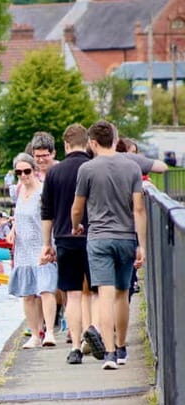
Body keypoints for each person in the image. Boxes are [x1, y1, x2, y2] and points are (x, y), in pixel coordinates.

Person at [71, 120, 147, 370]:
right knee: (122, 294)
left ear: (92, 142)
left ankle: (110, 354)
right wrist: (141, 245)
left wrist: (76, 226)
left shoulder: (87, 169)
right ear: (115, 139)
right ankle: (123, 347)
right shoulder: (132, 167)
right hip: (126, 237)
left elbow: (77, 207)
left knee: (104, 295)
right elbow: (138, 208)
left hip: (99, 238)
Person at [40, 123, 94, 364]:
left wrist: (46, 244)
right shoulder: (92, 168)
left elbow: (46, 212)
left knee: (71, 294)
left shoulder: (54, 173)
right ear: (87, 142)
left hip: (63, 237)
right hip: (92, 235)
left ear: (65, 144)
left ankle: (74, 347)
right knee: (93, 292)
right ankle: (92, 334)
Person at [7, 153, 58, 349]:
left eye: (26, 171)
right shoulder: (19, 191)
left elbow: (49, 217)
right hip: (23, 247)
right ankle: (35, 333)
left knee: (45, 290)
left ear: (34, 170)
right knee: (28, 293)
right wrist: (13, 230)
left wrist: (49, 244)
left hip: (41, 244)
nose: (23, 175)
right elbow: (18, 215)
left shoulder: (44, 191)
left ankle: (50, 332)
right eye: (18, 172)